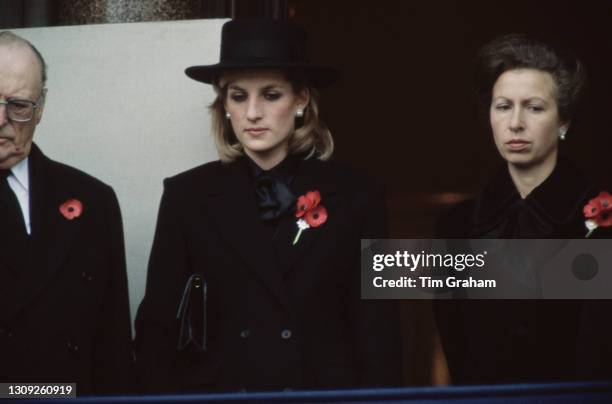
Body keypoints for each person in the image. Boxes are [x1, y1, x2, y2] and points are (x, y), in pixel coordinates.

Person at [134, 19, 401, 393]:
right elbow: (157, 328)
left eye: (271, 95)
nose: (253, 113)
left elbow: (378, 329)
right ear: (224, 104)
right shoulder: (186, 196)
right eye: (238, 96)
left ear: (301, 99)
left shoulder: (359, 195)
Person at [434, 34, 611, 384]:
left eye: (534, 107)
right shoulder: (456, 226)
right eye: (503, 106)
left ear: (564, 122)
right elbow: (457, 350)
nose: (515, 123)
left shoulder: (602, 222)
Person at [0, 31, 132, 394]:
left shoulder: (93, 201)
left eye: (18, 105)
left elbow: (113, 345)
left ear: (40, 109)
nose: (0, 120)